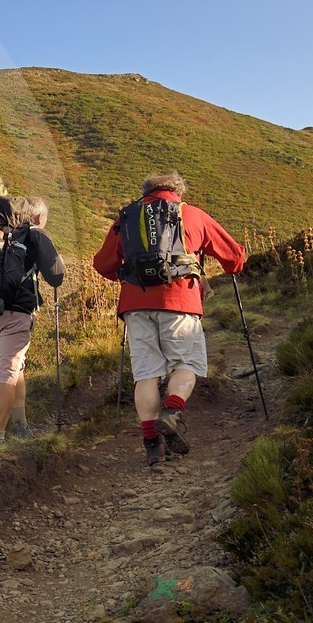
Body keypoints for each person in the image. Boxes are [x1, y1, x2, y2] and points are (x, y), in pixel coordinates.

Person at [92, 173, 247, 465]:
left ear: (146, 192)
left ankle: (152, 445)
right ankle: (172, 413)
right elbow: (235, 257)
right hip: (181, 301)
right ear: (178, 192)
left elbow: (102, 264)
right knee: (186, 363)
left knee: (147, 374)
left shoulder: (127, 217)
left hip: (135, 304)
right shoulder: (192, 214)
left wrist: (127, 276)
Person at [0, 196, 65, 442]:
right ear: (37, 217)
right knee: (8, 369)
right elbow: (56, 276)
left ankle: (21, 426)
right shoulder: (34, 233)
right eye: (45, 218)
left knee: (15, 365)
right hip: (15, 311)